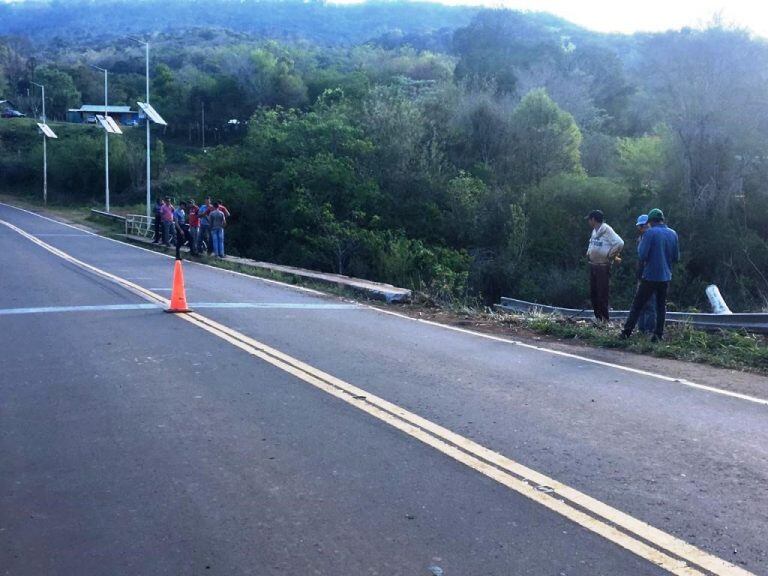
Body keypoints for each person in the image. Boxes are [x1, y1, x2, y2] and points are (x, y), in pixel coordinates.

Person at [621, 208, 680, 342]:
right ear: (662, 219)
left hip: (649, 276)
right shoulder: (673, 233)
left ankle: (626, 333)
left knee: (637, 305)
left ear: (651, 221)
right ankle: (658, 335)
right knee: (660, 307)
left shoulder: (650, 233)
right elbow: (676, 257)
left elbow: (642, 255)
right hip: (666, 276)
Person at [586, 209, 624, 322]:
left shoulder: (607, 229)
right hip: (593, 265)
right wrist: (589, 252)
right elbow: (591, 242)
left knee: (602, 293)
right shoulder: (595, 230)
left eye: (589, 219)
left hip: (602, 266)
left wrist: (610, 255)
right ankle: (598, 319)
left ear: (593, 219)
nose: (588, 221)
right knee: (594, 293)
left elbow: (619, 242)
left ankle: (604, 320)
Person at [634, 214, 656, 334]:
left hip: (650, 276)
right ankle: (641, 329)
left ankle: (649, 330)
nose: (642, 228)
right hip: (641, 276)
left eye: (643, 226)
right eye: (640, 226)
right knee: (640, 304)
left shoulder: (653, 238)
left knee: (650, 305)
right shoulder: (641, 239)